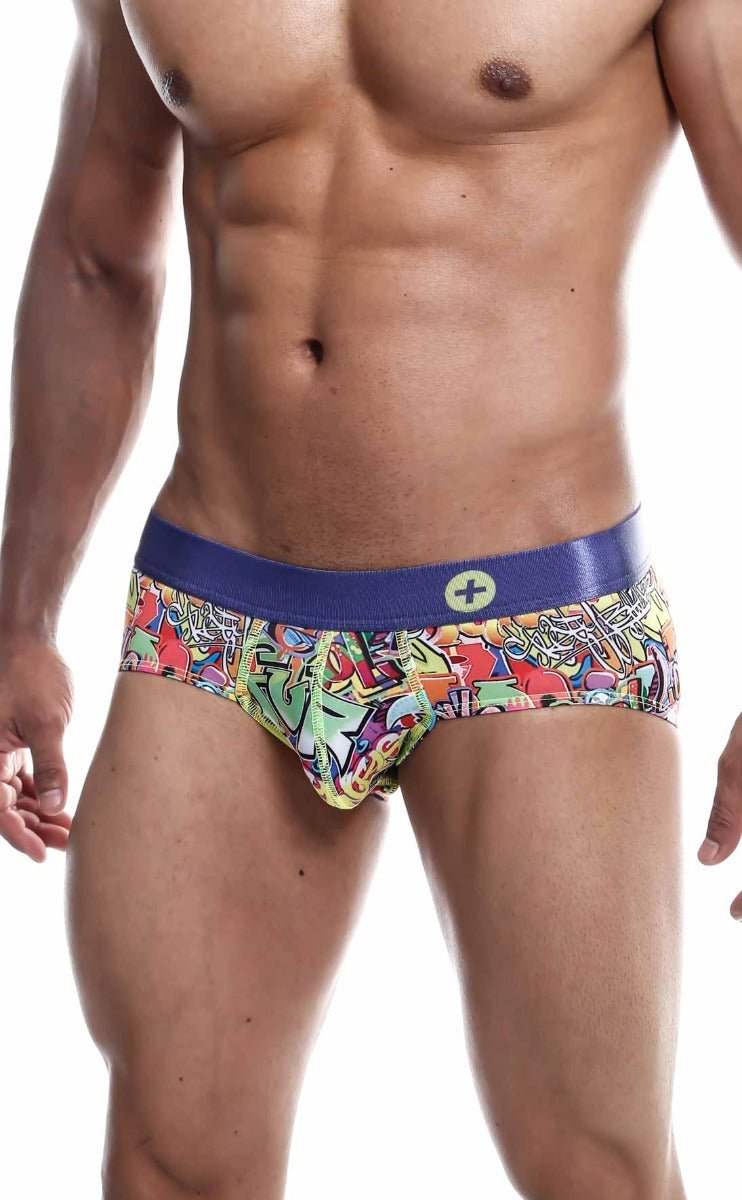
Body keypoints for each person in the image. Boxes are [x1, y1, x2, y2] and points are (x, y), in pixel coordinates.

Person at [1, 1, 739, 1196]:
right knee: (171, 1165)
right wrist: (22, 615)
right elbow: (95, 258)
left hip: (534, 625)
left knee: (596, 1172)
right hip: (217, 611)